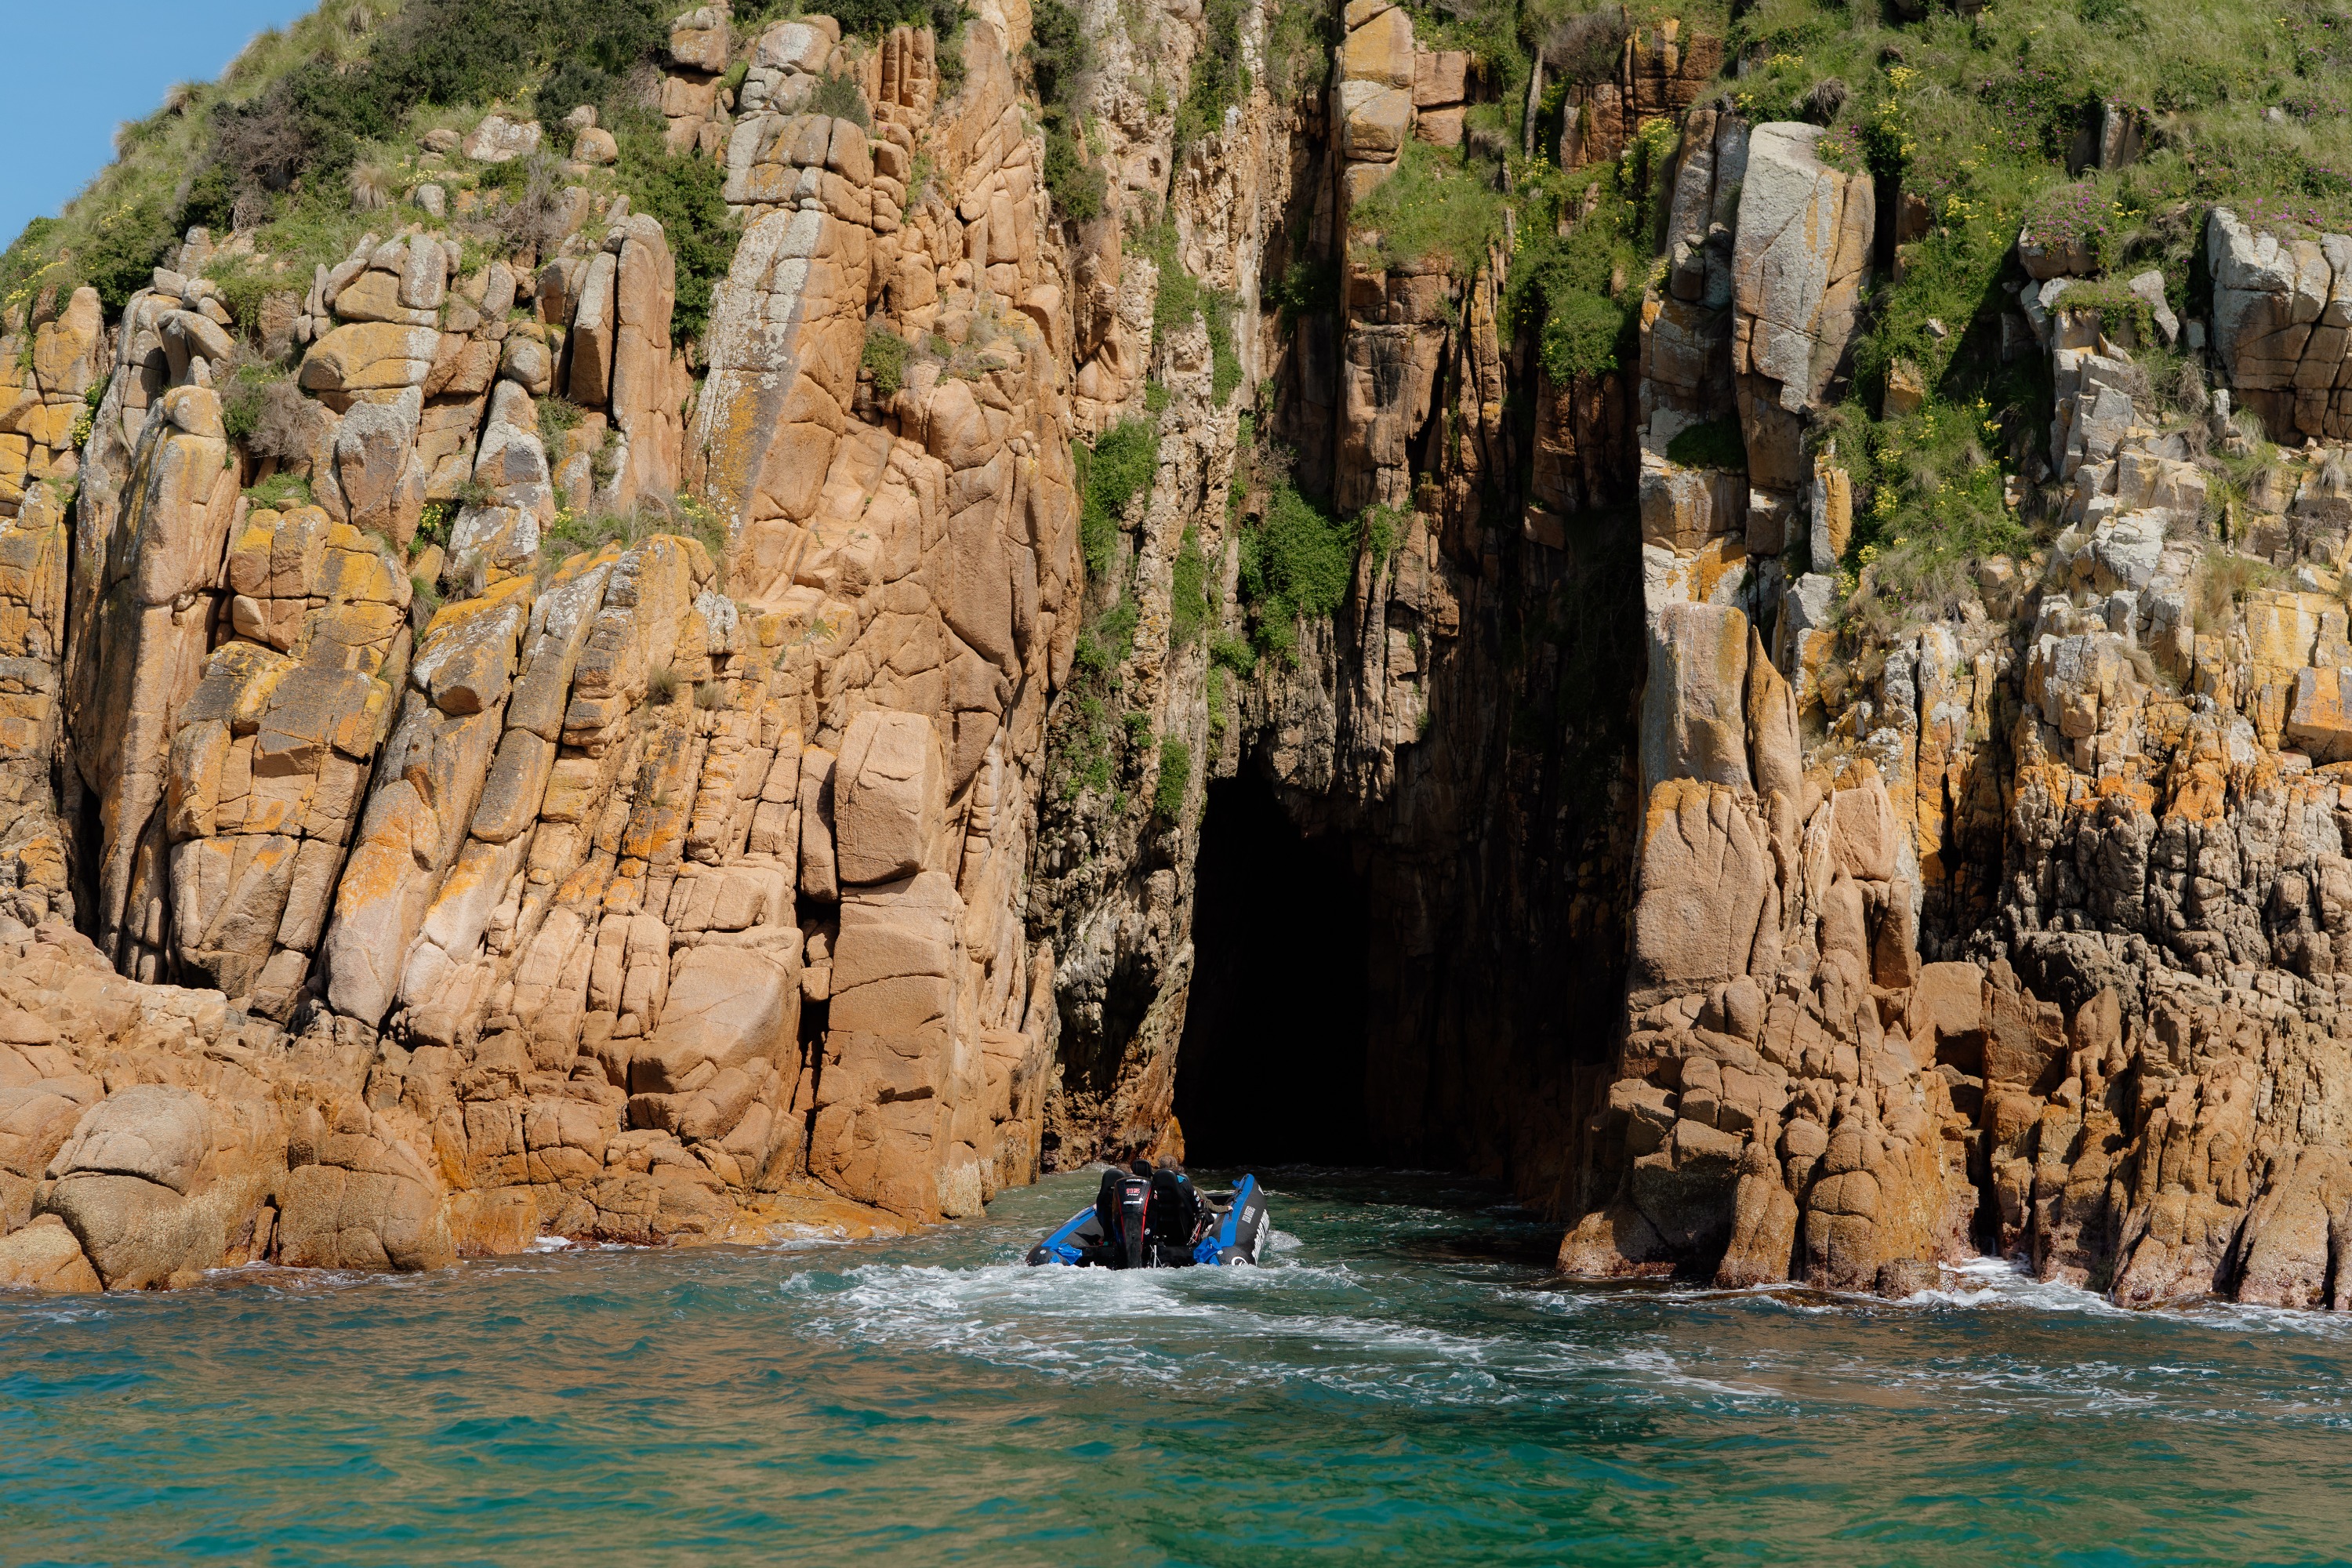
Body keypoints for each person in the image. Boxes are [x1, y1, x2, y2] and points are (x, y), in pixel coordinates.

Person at [1091, 1159, 1155, 1269]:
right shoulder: (1143, 1192)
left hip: (1112, 1238)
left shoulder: (1106, 1194)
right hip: (1141, 1242)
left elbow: (1099, 1211)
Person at [1148, 1158, 1205, 1267]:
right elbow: (1198, 1207)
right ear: (1175, 1166)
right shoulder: (1185, 1183)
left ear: (1160, 1166)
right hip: (1183, 1230)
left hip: (1160, 1230)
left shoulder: (1152, 1184)